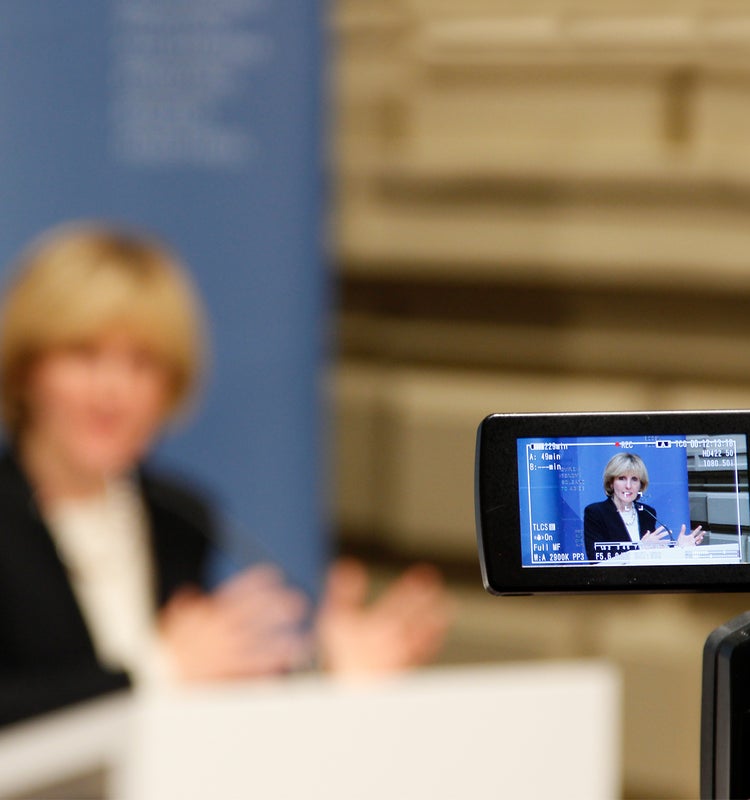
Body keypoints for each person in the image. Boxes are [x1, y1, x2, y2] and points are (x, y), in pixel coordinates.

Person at [0, 222, 451, 726]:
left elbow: (208, 705)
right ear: (26, 370)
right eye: (84, 355)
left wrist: (330, 680)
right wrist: (156, 671)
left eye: (142, 363)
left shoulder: (178, 515)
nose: (113, 390)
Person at [583, 452, 704, 560]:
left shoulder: (647, 512)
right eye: (622, 478)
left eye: (634, 479)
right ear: (611, 483)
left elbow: (654, 554)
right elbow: (595, 557)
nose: (628, 486)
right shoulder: (595, 512)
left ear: (641, 485)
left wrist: (679, 548)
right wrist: (640, 548)